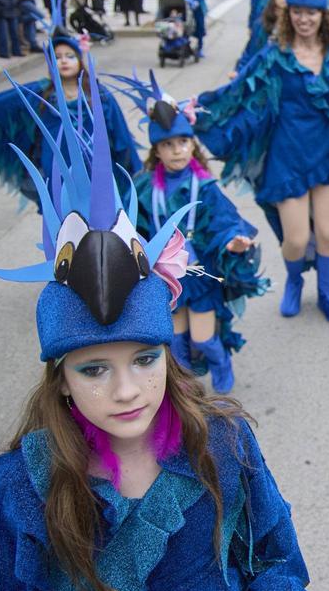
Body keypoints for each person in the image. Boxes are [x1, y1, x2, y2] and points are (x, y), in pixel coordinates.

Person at [0, 74, 329, 591]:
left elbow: (267, 562)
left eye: (145, 360)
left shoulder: (223, 443)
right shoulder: (22, 490)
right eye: (94, 369)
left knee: (209, 334)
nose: (127, 391)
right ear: (59, 380)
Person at [192, 0, 329, 324]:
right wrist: (198, 111)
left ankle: (326, 293)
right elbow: (239, 94)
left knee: (327, 232)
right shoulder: (274, 54)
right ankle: (294, 282)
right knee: (296, 239)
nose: (304, 18)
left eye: (311, 12)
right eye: (297, 11)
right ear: (288, 14)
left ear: (323, 15)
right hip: (285, 155)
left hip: (324, 152)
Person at [114, 77, 269, 394]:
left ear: (192, 145)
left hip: (199, 273)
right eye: (168, 145)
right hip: (164, 274)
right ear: (157, 151)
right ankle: (185, 383)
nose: (177, 151)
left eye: (183, 143)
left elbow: (225, 221)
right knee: (175, 337)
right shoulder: (144, 187)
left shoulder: (205, 187)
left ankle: (221, 361)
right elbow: (133, 226)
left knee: (203, 337)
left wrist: (232, 240)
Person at [0, 19, 137, 207]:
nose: (63, 61)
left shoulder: (101, 96)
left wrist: (136, 177)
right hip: (56, 176)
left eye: (70, 56)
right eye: (57, 57)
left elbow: (121, 137)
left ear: (80, 61)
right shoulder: (38, 93)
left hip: (96, 175)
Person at [236, 0, 289, 75]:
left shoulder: (296, 23)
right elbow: (250, 50)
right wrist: (239, 71)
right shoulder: (261, 23)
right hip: (264, 73)